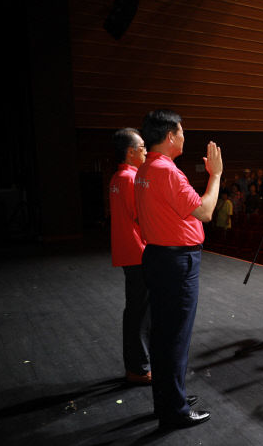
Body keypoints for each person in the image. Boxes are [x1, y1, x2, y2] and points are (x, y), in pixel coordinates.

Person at [135, 109, 220, 428]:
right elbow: (206, 211)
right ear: (170, 136)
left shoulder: (146, 168)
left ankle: (169, 398)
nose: (185, 137)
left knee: (163, 335)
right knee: (175, 338)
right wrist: (216, 175)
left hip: (158, 256)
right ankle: (174, 411)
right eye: (182, 132)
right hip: (176, 262)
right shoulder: (167, 171)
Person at [109, 128, 150, 385]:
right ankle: (138, 367)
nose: (146, 151)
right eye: (143, 147)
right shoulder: (129, 178)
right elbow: (142, 215)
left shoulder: (117, 177)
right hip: (138, 252)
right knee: (140, 314)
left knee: (136, 311)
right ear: (131, 152)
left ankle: (137, 365)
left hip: (129, 252)